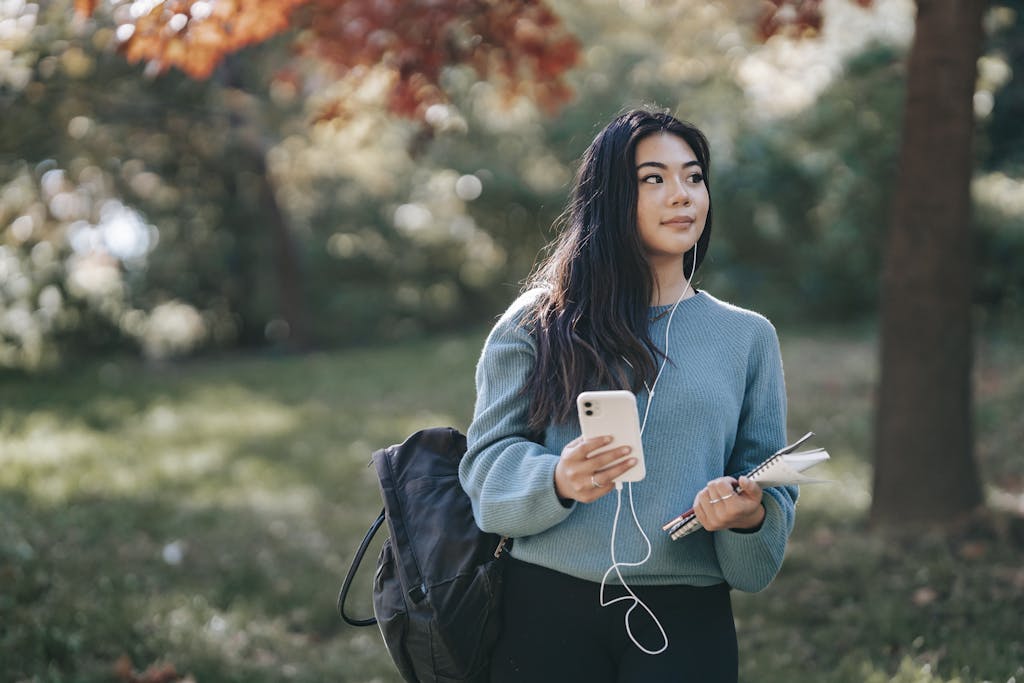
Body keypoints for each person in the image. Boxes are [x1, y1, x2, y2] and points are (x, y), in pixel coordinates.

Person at [458, 107, 797, 682]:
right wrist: (557, 479)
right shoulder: (538, 322)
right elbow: (486, 472)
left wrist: (748, 514)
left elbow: (769, 494)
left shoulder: (748, 337)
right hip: (543, 606)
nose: (682, 195)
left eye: (693, 177)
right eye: (653, 179)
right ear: (611, 197)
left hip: (688, 615)